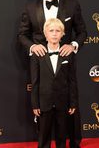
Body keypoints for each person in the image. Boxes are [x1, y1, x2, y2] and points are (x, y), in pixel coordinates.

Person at [18, 0, 87, 147]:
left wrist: (73, 45)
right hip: (41, 63)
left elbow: (82, 32)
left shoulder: (72, 4)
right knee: (44, 119)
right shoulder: (29, 7)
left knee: (68, 114)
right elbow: (22, 35)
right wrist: (33, 46)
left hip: (64, 60)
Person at [30, 18, 78, 148]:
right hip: (44, 102)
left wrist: (73, 102)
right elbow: (34, 81)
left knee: (62, 136)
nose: (55, 33)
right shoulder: (37, 54)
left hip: (63, 102)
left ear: (63, 34)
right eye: (51, 30)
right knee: (44, 136)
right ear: (45, 34)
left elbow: (72, 80)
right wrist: (35, 104)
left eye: (58, 31)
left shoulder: (68, 54)